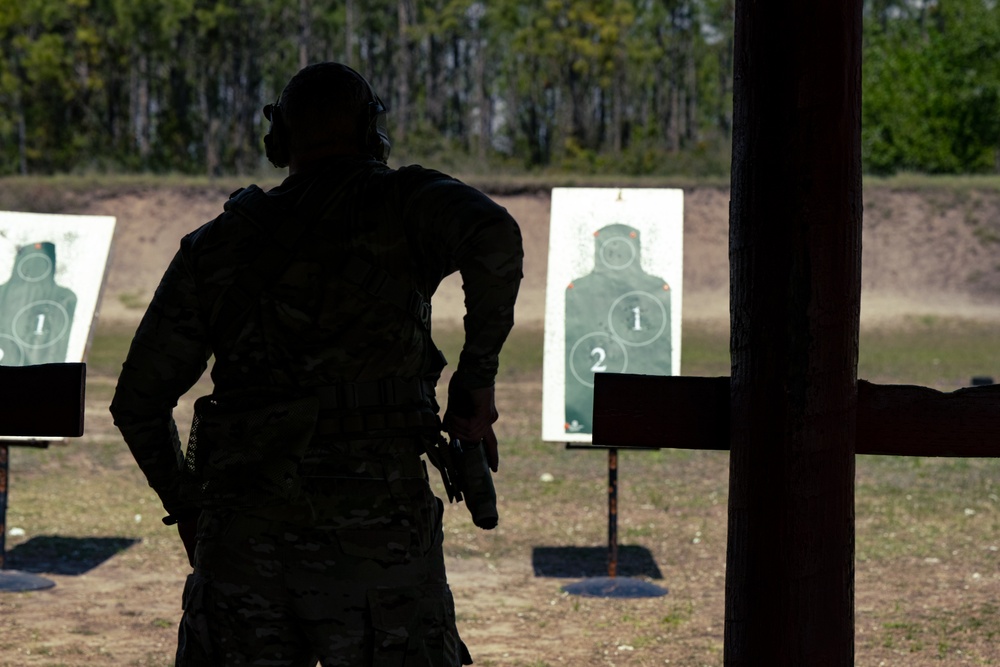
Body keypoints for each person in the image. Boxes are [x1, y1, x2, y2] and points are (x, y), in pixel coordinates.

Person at [110, 62, 523, 666]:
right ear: (370, 130)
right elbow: (495, 234)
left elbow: (138, 403)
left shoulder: (216, 245)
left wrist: (192, 508)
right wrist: (474, 381)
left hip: (242, 544)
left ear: (279, 138)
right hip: (377, 543)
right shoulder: (403, 204)